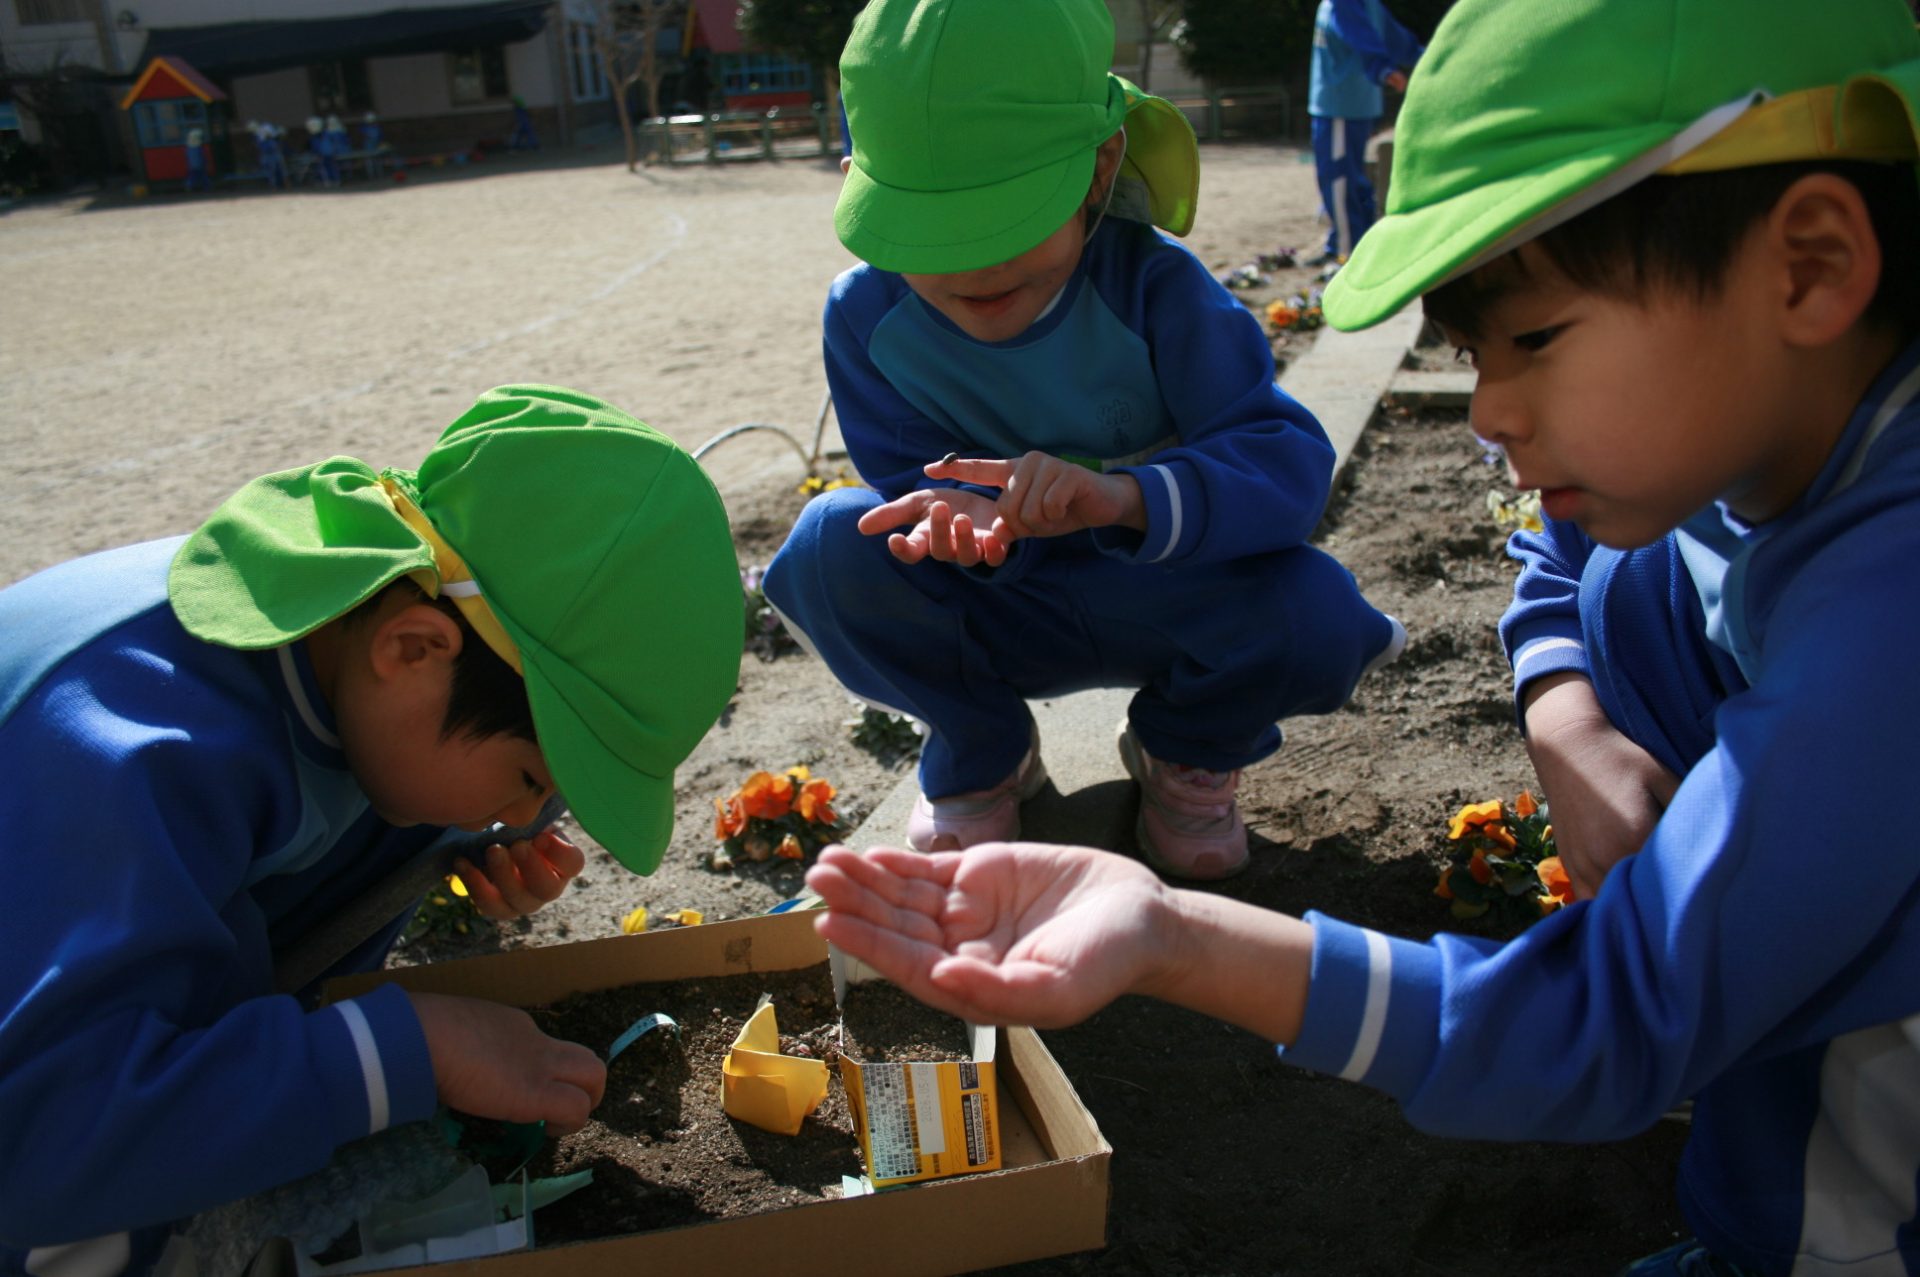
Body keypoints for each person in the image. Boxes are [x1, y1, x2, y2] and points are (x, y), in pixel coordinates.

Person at [805, 0, 1920, 1270]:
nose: (1489, 411)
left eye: (1535, 339)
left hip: (1850, 1221)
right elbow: (1561, 556)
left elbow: (1603, 1027)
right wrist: (1566, 714)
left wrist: (1171, 933)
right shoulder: (1772, 445)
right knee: (1627, 571)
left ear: (1810, 265)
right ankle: (1744, 1007)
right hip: (1027, 607)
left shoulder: (1892, 616)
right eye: (1475, 354)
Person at [0, 385, 743, 1276]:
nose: (526, 816)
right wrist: (411, 1047)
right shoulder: (133, 752)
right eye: (531, 779)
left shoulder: (348, 638)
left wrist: (458, 847)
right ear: (413, 647)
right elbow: (43, 1140)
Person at [763, 0, 1403, 882]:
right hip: (1002, 605)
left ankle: (1185, 746)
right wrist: (965, 516)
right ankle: (983, 749)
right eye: (930, 230)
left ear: (1100, 168)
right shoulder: (868, 316)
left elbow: (1284, 463)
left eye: (1004, 218)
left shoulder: (1155, 287)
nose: (970, 265)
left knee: (1318, 614)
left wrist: (1124, 498)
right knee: (828, 546)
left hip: (1170, 593)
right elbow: (907, 479)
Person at [1306, 0, 1422, 266]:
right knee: (1353, 180)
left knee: (1338, 181)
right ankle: (1351, 243)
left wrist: (1382, 68)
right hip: (1348, 106)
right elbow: (1396, 39)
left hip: (1339, 107)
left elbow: (1363, 35)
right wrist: (1424, 56)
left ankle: (1345, 253)